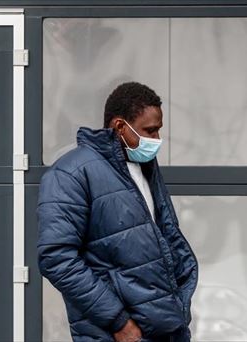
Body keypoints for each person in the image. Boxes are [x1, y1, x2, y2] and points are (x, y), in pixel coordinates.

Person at [37, 82, 198, 342]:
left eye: (158, 131)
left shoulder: (143, 167)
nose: (156, 140)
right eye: (150, 131)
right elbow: (56, 258)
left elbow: (163, 238)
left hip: (163, 329)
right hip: (116, 334)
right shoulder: (71, 173)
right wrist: (118, 322)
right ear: (120, 126)